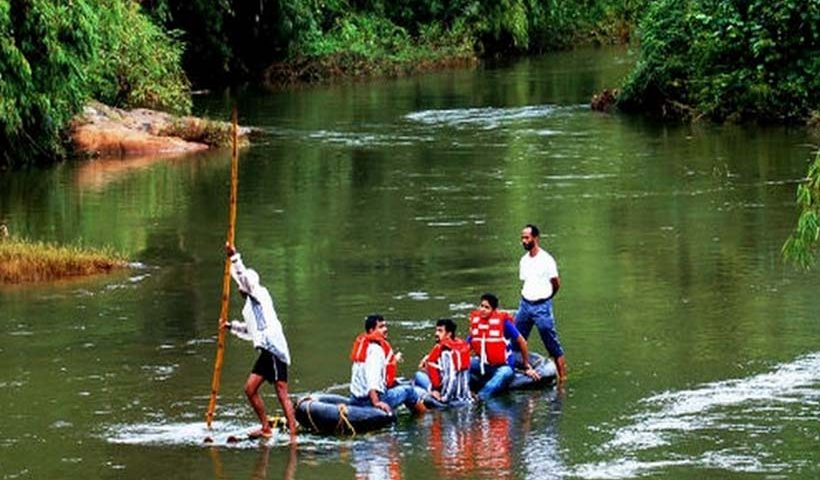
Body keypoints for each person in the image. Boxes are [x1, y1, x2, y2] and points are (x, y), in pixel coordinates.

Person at [221, 243, 297, 439]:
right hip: (265, 350)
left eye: (241, 286)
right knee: (250, 389)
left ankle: (293, 434)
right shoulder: (248, 307)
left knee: (281, 392)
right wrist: (231, 327)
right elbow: (250, 331)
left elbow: (244, 278)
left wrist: (234, 257)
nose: (239, 288)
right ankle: (265, 428)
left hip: (274, 348)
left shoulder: (259, 294)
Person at [516, 224, 567, 382]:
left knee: (551, 341)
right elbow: (526, 281)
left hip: (542, 305)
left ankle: (562, 379)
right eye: (522, 238)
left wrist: (547, 298)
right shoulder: (524, 260)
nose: (524, 241)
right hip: (525, 304)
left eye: (527, 238)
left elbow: (556, 282)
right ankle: (520, 371)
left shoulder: (547, 260)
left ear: (535, 238)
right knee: (516, 338)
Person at [468, 293, 540, 400]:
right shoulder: (477, 323)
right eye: (481, 306)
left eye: (487, 307)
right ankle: (465, 391)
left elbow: (522, 342)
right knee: (465, 363)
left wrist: (526, 365)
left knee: (504, 373)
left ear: (494, 310)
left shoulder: (504, 323)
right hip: (483, 364)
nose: (482, 309)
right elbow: (466, 346)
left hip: (503, 366)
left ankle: (480, 397)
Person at [349, 314, 426, 414]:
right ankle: (425, 417)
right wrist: (376, 402)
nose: (385, 329)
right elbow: (372, 379)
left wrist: (394, 359)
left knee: (397, 382)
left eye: (385, 326)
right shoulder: (376, 350)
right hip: (370, 400)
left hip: (355, 399)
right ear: (372, 330)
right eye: (381, 327)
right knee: (408, 391)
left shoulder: (363, 346)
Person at [414, 319, 472, 403]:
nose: (436, 334)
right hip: (462, 392)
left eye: (440, 331)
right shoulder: (460, 346)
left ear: (448, 334)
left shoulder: (446, 352)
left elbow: (451, 378)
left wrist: (442, 397)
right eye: (437, 330)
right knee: (420, 374)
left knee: (417, 378)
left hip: (446, 394)